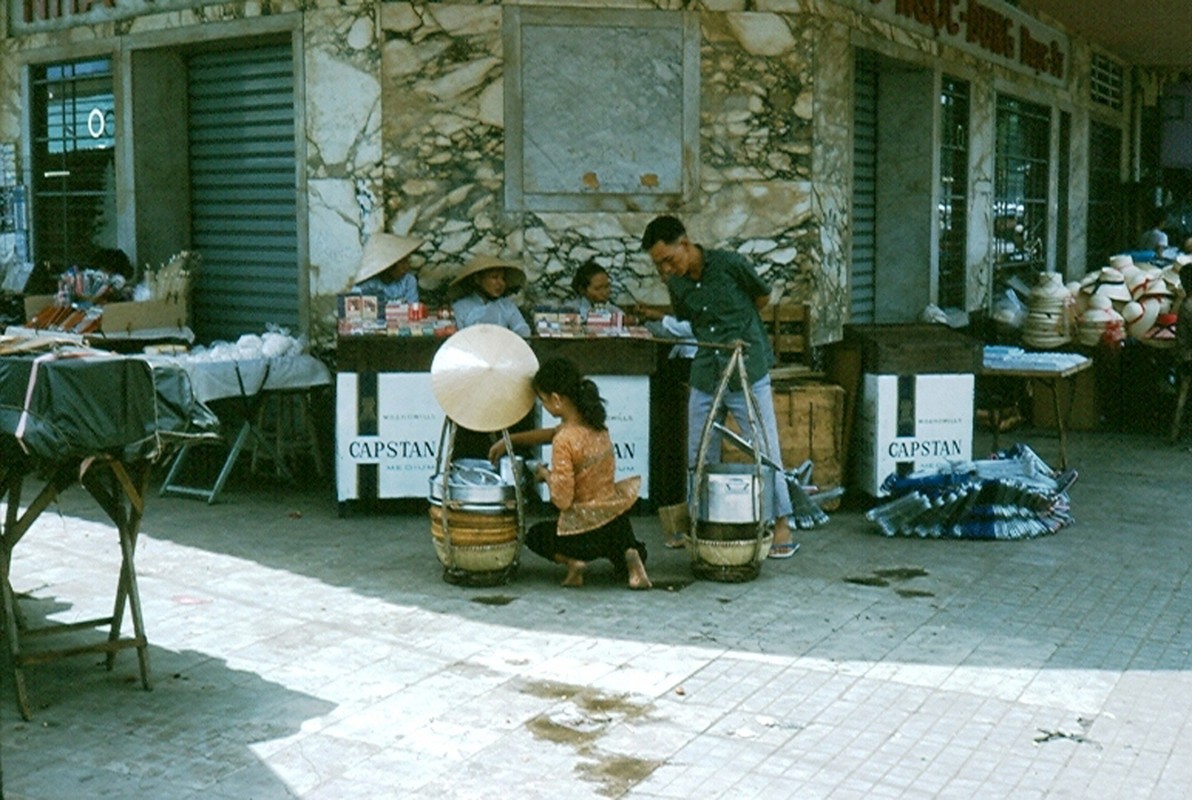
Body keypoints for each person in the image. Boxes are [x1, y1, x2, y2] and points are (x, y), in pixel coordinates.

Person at [641, 214, 797, 559]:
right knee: (699, 451)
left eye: (669, 260)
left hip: (746, 367)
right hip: (705, 371)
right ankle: (699, 522)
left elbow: (761, 298)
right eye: (659, 265)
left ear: (685, 243)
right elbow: (688, 319)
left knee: (764, 446)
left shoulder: (729, 264)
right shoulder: (677, 283)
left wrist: (739, 328)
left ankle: (782, 522)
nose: (666, 269)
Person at [490, 357, 651, 589]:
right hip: (613, 522)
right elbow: (550, 434)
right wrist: (510, 441)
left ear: (556, 399)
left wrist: (545, 475)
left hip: (583, 534)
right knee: (628, 542)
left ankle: (574, 562)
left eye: (543, 401)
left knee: (534, 535)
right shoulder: (596, 425)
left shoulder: (565, 440)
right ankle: (630, 556)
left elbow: (563, 500)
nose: (543, 406)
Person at [450, 255, 531, 337]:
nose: (500, 283)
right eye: (494, 277)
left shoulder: (506, 306)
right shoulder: (460, 308)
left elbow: (523, 332)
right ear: (477, 279)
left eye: (503, 278)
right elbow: (456, 340)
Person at [353, 232, 423, 303]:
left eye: (408, 261)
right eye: (402, 263)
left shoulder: (408, 281)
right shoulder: (370, 283)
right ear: (390, 266)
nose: (407, 267)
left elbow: (413, 306)